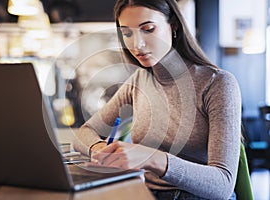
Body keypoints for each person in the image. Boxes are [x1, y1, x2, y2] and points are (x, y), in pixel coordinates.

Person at [73, 0, 241, 199]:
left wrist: (151, 158)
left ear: (174, 26)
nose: (137, 45)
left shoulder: (217, 83)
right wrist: (100, 149)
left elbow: (223, 186)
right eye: (127, 33)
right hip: (145, 191)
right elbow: (84, 133)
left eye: (148, 29)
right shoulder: (139, 80)